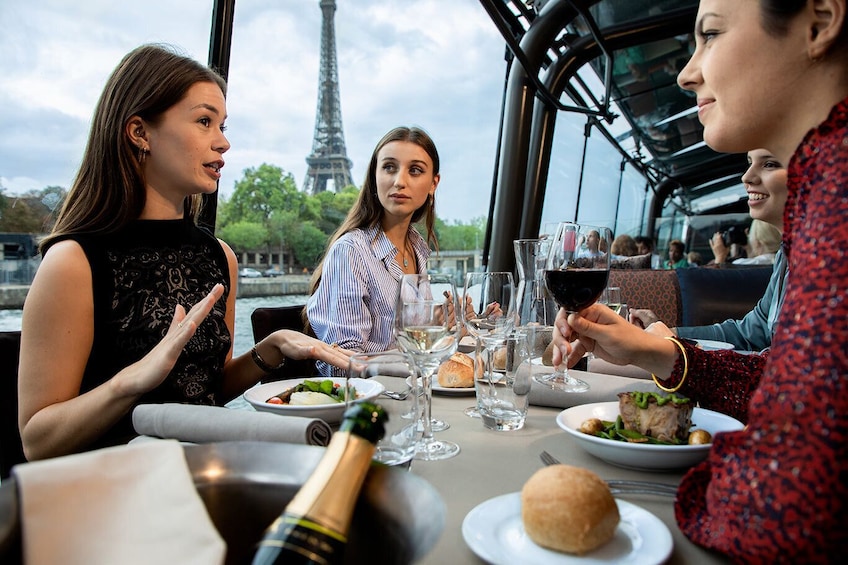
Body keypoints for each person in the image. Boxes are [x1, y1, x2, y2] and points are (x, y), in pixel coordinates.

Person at [553, 0, 848, 560]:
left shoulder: (838, 194)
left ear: (820, 22)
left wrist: (703, 488)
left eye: (710, 34)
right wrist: (657, 352)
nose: (688, 72)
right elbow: (795, 393)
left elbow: (786, 515)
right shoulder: (820, 196)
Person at [17, 45, 353, 462]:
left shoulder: (219, 257)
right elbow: (37, 441)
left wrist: (270, 348)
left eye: (223, 125)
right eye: (204, 121)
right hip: (114, 494)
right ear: (140, 132)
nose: (224, 142)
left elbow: (210, 390)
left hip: (207, 476)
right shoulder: (73, 263)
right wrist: (130, 382)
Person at [306, 126, 440, 376]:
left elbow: (415, 346)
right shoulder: (351, 253)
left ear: (433, 183)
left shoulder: (418, 249)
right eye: (389, 167)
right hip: (372, 404)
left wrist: (445, 328)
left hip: (407, 395)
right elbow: (341, 366)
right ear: (374, 176)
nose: (400, 181)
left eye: (415, 170)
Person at [630, 149, 790, 351]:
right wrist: (669, 333)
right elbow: (747, 333)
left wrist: (674, 351)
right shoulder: (785, 258)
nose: (746, 176)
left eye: (769, 164)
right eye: (749, 162)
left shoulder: (825, 264)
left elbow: (779, 368)